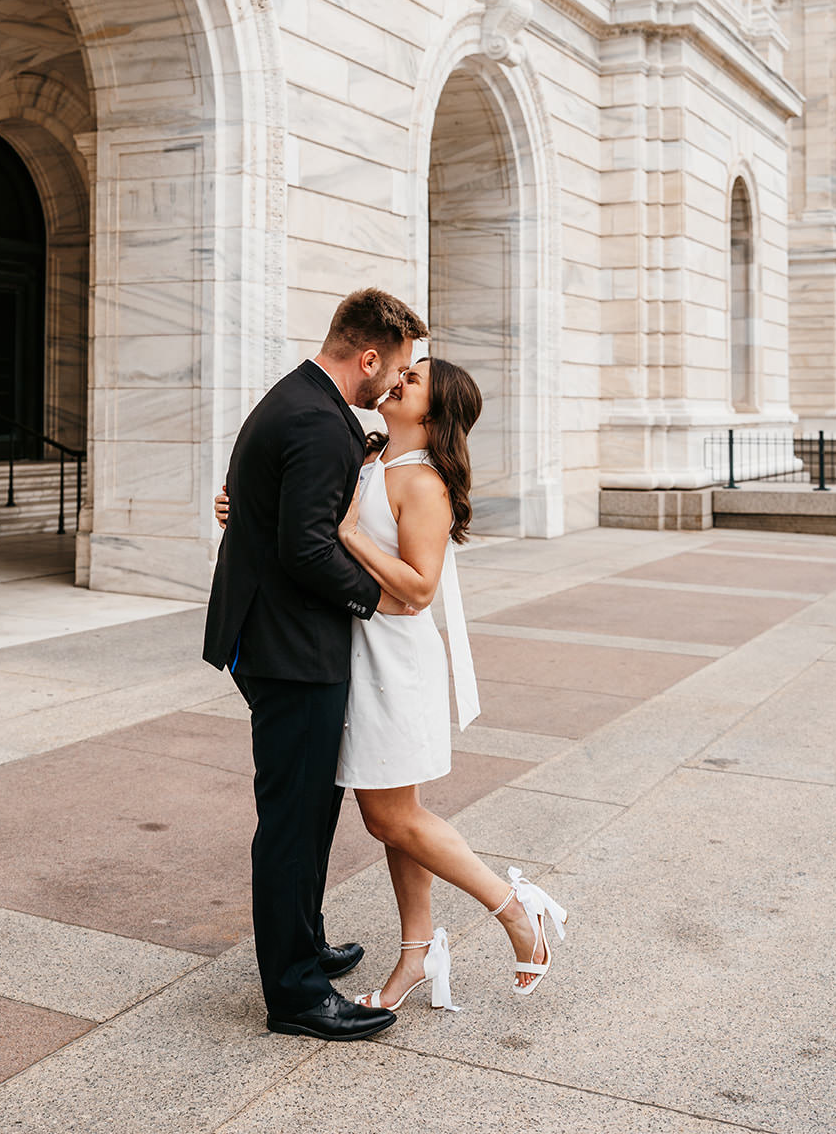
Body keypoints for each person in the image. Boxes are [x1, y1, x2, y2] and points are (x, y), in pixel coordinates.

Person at [216, 355, 569, 1013]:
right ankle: (416, 954)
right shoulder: (370, 457)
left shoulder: (423, 482)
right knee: (395, 819)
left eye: (415, 381)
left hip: (392, 664)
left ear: (432, 414)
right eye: (403, 372)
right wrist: (245, 509)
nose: (399, 380)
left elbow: (418, 588)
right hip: (352, 654)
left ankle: (514, 908)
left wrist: (349, 534)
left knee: (390, 814)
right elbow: (308, 525)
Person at [202, 287, 428, 1041]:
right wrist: (375, 599)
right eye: (392, 372)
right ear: (366, 357)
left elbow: (272, 509)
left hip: (275, 637)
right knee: (294, 823)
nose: (392, 388)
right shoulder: (316, 421)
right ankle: (295, 993)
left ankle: (304, 944)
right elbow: (305, 546)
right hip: (289, 649)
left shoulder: (305, 405)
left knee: (309, 808)